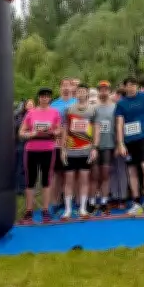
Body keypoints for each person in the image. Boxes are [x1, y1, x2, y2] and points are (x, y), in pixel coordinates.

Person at [115, 76, 144, 216]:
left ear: (137, 86)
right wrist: (121, 143)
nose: (132, 87)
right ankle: (137, 202)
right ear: (125, 87)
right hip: (129, 141)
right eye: (129, 85)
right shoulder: (121, 103)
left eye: (134, 85)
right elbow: (119, 123)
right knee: (132, 171)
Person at [19, 88, 61, 224]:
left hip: (48, 148)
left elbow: (59, 130)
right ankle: (29, 211)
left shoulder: (54, 112)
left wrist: (53, 131)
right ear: (39, 98)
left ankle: (45, 210)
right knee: (30, 180)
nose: (44, 98)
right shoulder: (31, 113)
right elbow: (21, 132)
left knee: (46, 180)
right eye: (42, 96)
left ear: (50, 98)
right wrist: (30, 134)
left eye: (47, 96)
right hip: (32, 148)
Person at [61, 84, 98, 219]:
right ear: (76, 94)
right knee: (69, 180)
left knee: (84, 179)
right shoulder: (68, 109)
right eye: (79, 91)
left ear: (87, 93)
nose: (81, 93)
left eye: (84, 91)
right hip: (71, 149)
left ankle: (83, 209)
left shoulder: (93, 110)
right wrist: (63, 148)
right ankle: (68, 210)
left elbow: (96, 129)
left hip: (86, 149)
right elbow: (65, 129)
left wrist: (95, 147)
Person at [50, 79, 77, 211]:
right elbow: (51, 124)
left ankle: (74, 201)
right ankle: (55, 202)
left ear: (72, 88)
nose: (66, 88)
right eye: (63, 85)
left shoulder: (77, 102)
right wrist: (58, 132)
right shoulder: (54, 105)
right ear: (60, 88)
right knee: (57, 174)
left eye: (69, 85)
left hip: (75, 143)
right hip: (58, 143)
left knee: (73, 173)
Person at [89, 81, 115, 214]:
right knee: (94, 175)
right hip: (94, 146)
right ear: (99, 91)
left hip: (109, 145)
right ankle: (92, 201)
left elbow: (118, 127)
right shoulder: (93, 107)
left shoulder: (115, 107)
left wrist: (118, 144)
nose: (103, 92)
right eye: (101, 89)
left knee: (105, 175)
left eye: (106, 89)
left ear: (109, 91)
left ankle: (104, 201)